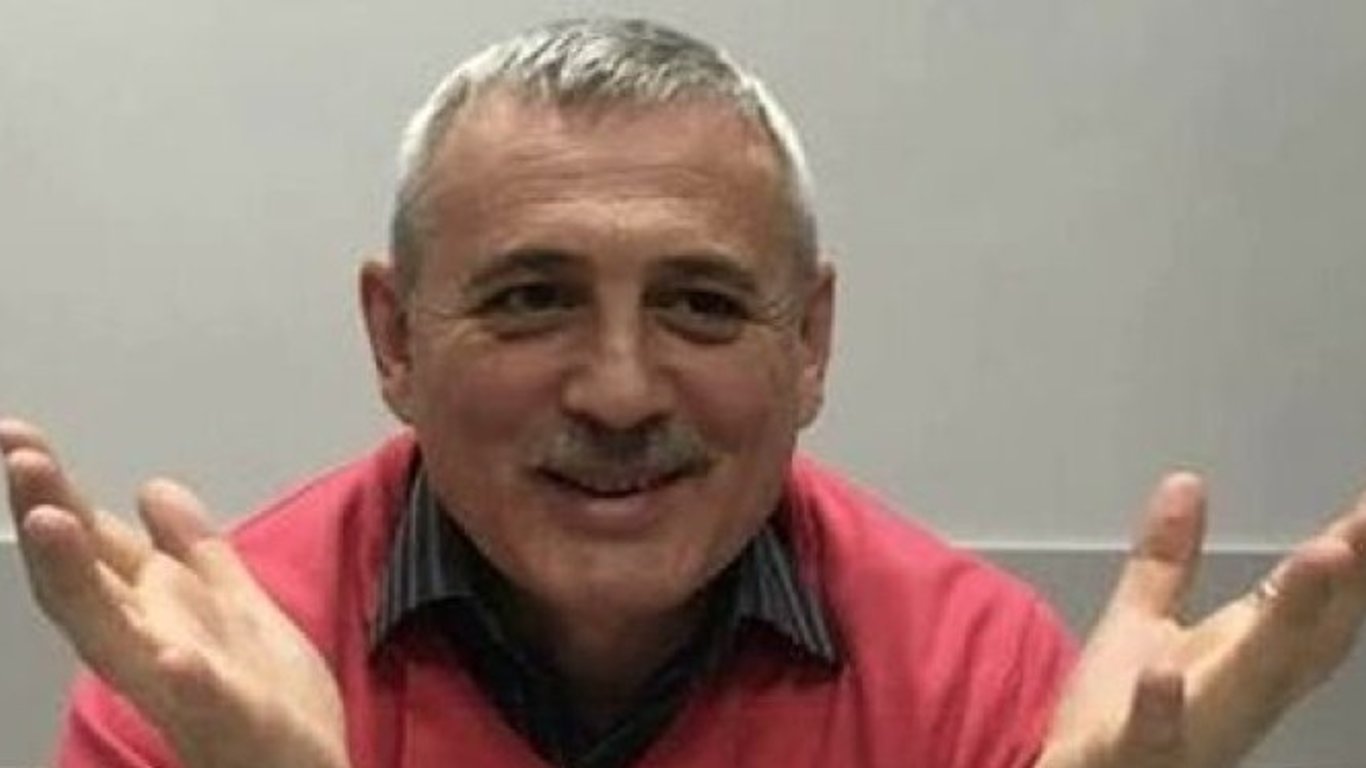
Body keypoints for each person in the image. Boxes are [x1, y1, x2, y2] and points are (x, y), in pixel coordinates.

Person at [2, 17, 1364, 768]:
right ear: (395, 339)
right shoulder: (215, 682)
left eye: (701, 305)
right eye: (531, 297)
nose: (618, 391)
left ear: (809, 343)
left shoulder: (970, 672)